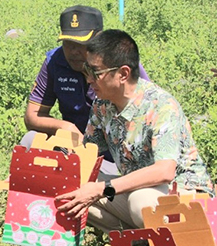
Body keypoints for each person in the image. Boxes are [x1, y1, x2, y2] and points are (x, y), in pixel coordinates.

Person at [56, 29, 214, 233]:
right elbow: (87, 153)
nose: (88, 79)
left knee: (141, 202)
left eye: (95, 72)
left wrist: (104, 188)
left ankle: (182, 245)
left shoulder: (161, 106)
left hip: (185, 196)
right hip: (137, 193)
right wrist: (54, 166)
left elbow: (164, 171)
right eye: (87, 69)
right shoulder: (102, 105)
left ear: (123, 74)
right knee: (73, 185)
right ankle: (137, 242)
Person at [22, 5, 149, 175]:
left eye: (81, 44)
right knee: (30, 140)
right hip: (75, 150)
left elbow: (150, 114)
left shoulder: (119, 65)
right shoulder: (55, 62)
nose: (73, 51)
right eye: (68, 43)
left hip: (117, 161)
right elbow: (32, 115)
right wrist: (65, 127)